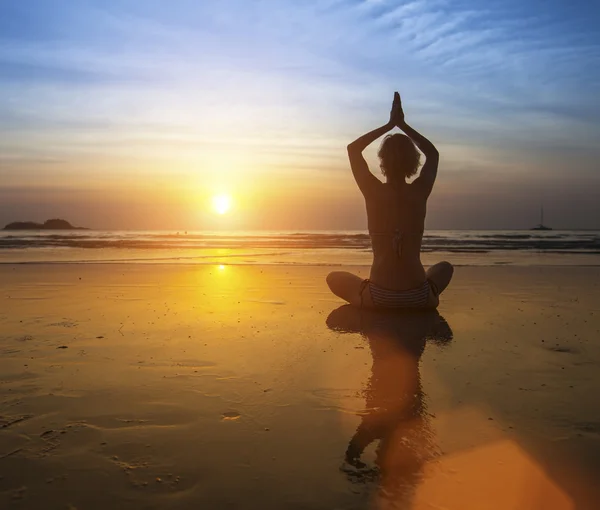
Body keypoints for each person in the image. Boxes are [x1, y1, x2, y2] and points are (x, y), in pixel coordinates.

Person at [326, 92, 453, 309]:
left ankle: (368, 292)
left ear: (382, 161)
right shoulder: (420, 191)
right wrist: (402, 125)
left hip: (378, 298)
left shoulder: (372, 191)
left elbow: (353, 149)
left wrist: (389, 125)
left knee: (333, 277)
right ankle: (425, 293)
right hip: (420, 299)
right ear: (413, 162)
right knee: (445, 268)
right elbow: (432, 153)